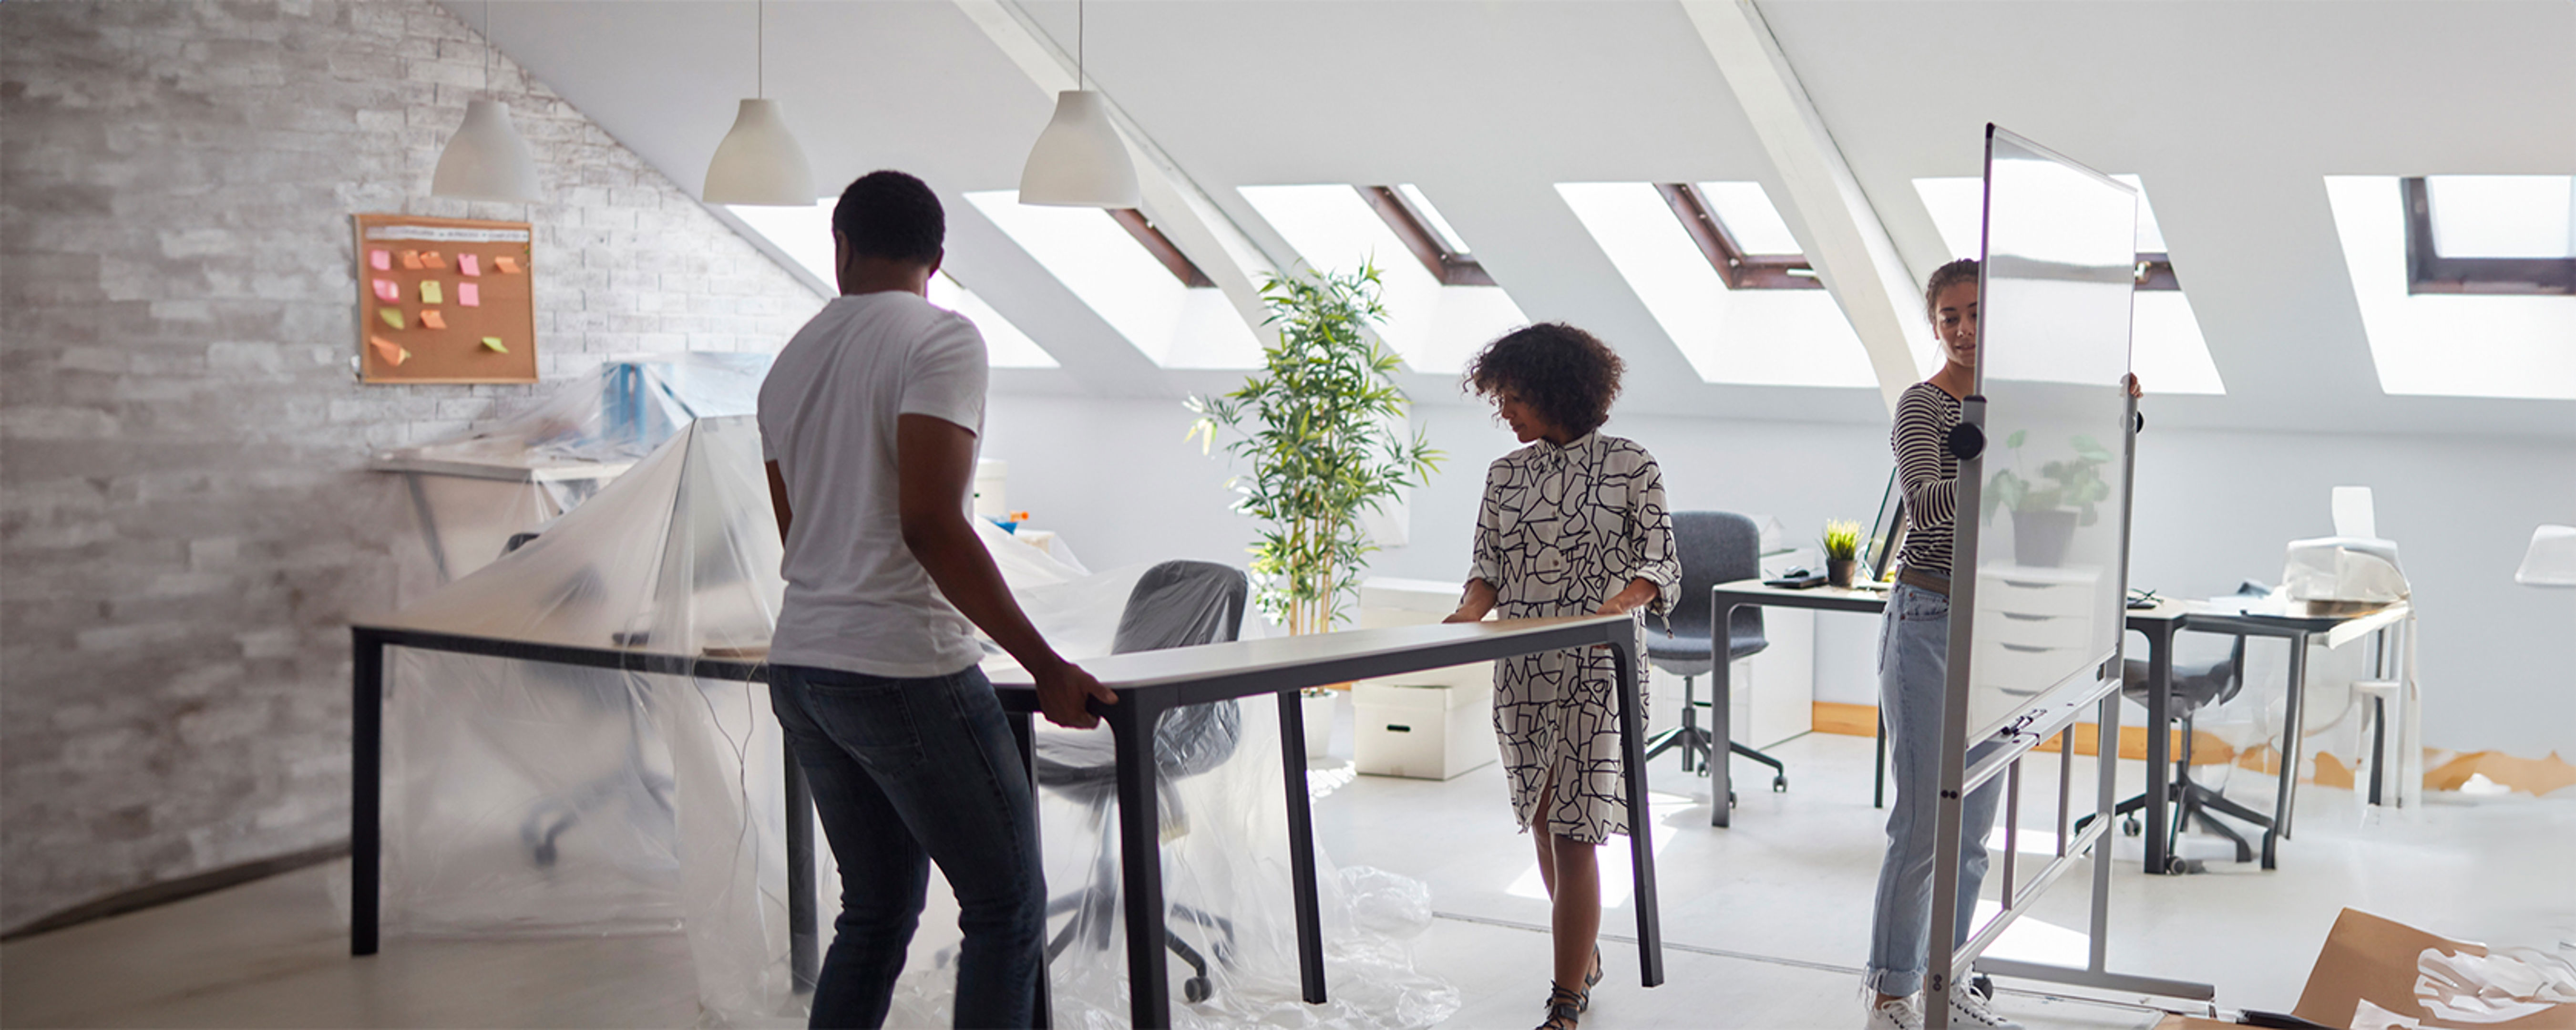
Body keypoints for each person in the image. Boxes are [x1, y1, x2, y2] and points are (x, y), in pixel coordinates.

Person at [757, 170, 1116, 1030]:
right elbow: (929, 524)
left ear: (839, 247)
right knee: (1004, 908)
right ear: (938, 259)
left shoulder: (790, 362)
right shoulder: (942, 341)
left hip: (804, 664)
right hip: (900, 668)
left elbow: (799, 538)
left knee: (874, 912)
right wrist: (1047, 666)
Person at [1441, 323, 1680, 1030]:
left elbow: (1660, 562)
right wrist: (1465, 615)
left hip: (1598, 664)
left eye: (1515, 398)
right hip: (1522, 665)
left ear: (1557, 391)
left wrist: (1619, 604)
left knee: (1576, 828)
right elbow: (1488, 569)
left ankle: (1565, 999)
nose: (1505, 413)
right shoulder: (1504, 475)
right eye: (1500, 400)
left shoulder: (1630, 464)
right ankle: (1583, 956)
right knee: (1544, 821)